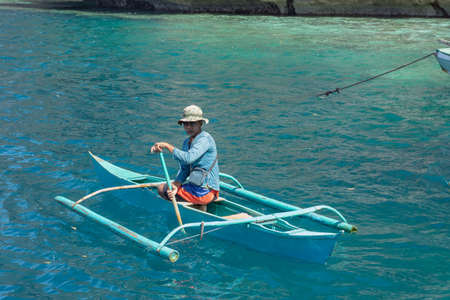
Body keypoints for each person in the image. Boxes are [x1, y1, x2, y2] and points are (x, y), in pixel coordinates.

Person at [151, 105, 219, 211]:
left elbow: (188, 158)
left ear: (200, 123)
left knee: (161, 188)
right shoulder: (187, 142)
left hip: (206, 192)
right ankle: (197, 206)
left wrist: (167, 146)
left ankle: (197, 207)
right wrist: (176, 185)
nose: (188, 127)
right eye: (185, 124)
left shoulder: (204, 139)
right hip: (196, 187)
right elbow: (185, 168)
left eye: (192, 124)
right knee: (170, 189)